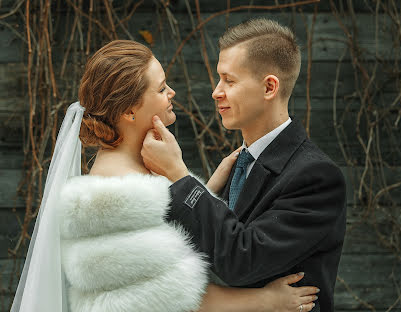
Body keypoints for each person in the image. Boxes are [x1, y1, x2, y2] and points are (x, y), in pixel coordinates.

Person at [10, 40, 319, 312]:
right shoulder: (115, 193)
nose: (171, 92)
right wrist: (269, 301)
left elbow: (164, 239)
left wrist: (204, 185)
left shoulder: (138, 168)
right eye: (160, 89)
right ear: (130, 111)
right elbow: (178, 297)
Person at [141, 19, 347, 312]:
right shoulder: (240, 162)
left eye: (230, 80)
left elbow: (242, 260)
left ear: (269, 87)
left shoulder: (316, 177)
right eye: (218, 79)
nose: (216, 91)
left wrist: (180, 176)